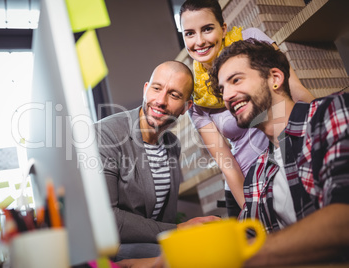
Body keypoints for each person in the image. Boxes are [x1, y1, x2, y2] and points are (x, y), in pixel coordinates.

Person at [116, 39, 349, 268]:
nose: (226, 96)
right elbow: (246, 238)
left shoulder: (333, 112)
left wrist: (236, 256)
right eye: (222, 89)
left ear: (275, 78)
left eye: (236, 80)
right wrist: (158, 262)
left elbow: (343, 221)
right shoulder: (258, 174)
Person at [179, 0, 315, 217]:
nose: (200, 41)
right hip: (250, 181)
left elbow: (296, 90)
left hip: (292, 152)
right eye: (189, 33)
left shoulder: (250, 40)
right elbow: (227, 164)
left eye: (207, 29)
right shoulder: (197, 97)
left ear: (223, 29)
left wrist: (324, 125)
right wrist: (253, 211)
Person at [95, 61, 218, 261]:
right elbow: (108, 220)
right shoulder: (105, 134)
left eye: (174, 95)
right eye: (157, 88)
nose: (161, 100)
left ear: (186, 107)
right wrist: (178, 230)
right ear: (146, 89)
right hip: (111, 252)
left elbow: (163, 217)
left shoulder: (172, 145)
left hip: (151, 248)